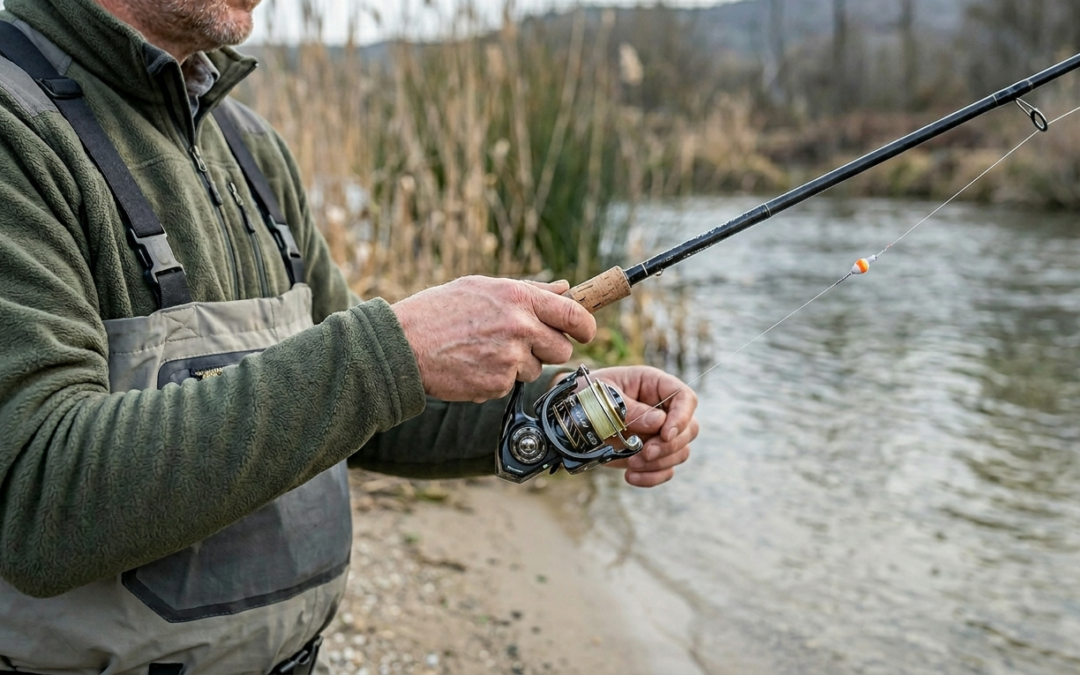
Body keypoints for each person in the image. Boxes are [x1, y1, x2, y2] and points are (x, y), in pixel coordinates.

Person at [0, 0, 699, 672]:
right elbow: (38, 497)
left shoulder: (251, 148)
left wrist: (560, 410)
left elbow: (358, 411)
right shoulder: (16, 127)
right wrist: (393, 347)